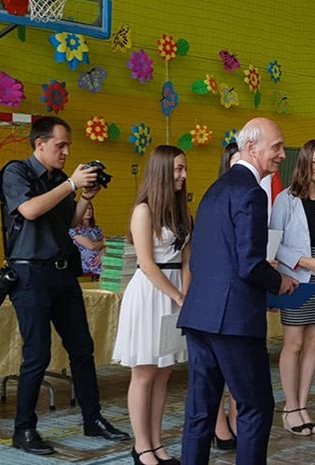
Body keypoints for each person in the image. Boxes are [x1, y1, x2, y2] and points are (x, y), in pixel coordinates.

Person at [0, 116, 129, 456]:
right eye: (60, 145)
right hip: (30, 275)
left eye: (68, 146)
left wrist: (85, 196)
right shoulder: (16, 173)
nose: (66, 152)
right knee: (37, 354)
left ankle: (93, 418)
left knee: (82, 348)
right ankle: (24, 429)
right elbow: (29, 210)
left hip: (62, 273)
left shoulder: (59, 180)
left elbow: (69, 222)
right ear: (39, 144)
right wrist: (72, 184)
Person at [178, 117, 299, 465]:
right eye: (276, 147)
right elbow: (249, 264)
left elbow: (206, 258)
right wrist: (278, 281)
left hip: (200, 315)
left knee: (200, 411)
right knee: (255, 407)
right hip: (234, 321)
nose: (281, 155)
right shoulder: (251, 193)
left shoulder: (214, 190)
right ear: (250, 148)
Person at [112, 145, 190, 465]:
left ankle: (156, 442)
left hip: (175, 294)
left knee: (163, 373)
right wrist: (177, 295)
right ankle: (141, 445)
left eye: (184, 169)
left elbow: (187, 260)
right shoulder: (143, 211)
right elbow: (146, 264)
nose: (183, 175)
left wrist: (186, 294)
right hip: (149, 295)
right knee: (144, 373)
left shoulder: (180, 212)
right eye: (178, 169)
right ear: (162, 171)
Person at [270, 139, 315, 436]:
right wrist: (302, 261)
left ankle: (302, 405)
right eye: (314, 162)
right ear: (303, 163)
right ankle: (290, 409)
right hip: (296, 279)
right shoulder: (285, 199)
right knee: (294, 344)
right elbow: (273, 243)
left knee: (314, 343)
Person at [209, 141, 241, 451]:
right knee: (217, 363)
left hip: (245, 291)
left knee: (239, 366)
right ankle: (218, 423)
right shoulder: (217, 196)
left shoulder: (255, 194)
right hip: (220, 290)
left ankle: (235, 417)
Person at [69, 202, 105, 276]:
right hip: (85, 262)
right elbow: (91, 246)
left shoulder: (96, 229)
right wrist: (105, 242)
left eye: (90, 209)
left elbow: (105, 246)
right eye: (85, 209)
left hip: (100, 259)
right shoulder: (74, 230)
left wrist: (102, 254)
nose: (88, 211)